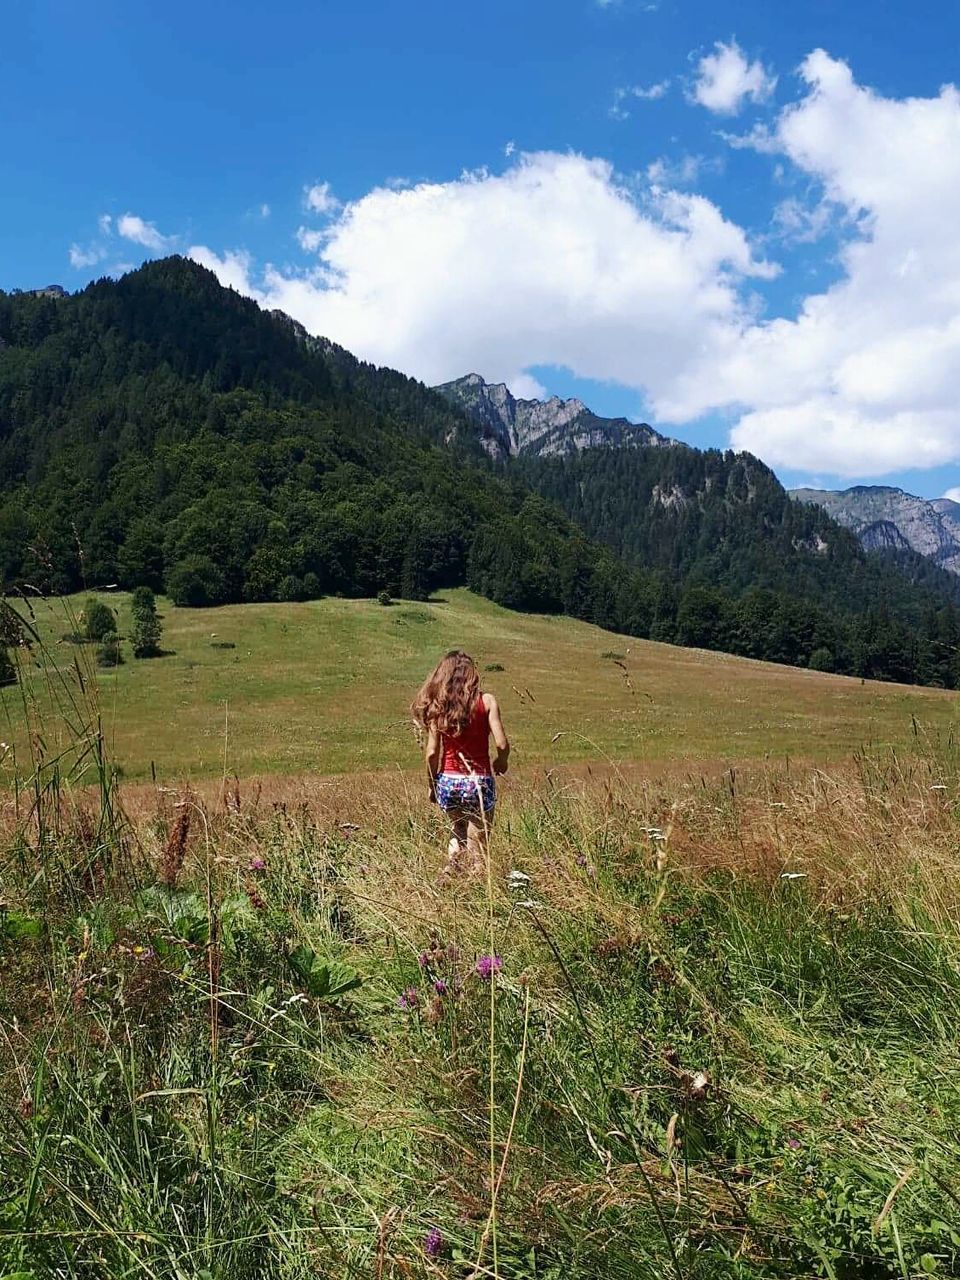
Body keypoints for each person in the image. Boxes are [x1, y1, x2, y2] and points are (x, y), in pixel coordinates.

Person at [412, 650, 510, 872]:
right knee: (478, 844)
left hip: (448, 781)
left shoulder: (439, 707)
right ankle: (476, 885)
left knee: (457, 829)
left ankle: (451, 871)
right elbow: (502, 744)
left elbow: (431, 753)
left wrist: (432, 785)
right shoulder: (487, 701)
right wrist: (501, 762)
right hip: (479, 781)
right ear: (472, 675)